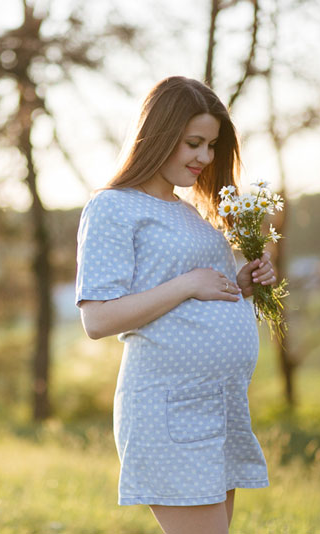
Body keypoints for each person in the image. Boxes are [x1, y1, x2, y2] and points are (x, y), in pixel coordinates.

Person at [74, 76, 277, 534]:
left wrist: (242, 284)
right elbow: (97, 318)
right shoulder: (112, 208)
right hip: (170, 411)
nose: (205, 158)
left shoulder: (190, 212)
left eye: (211, 145)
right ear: (160, 134)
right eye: (193, 143)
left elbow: (204, 291)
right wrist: (187, 284)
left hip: (220, 407)